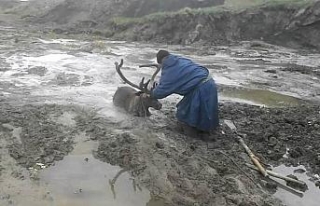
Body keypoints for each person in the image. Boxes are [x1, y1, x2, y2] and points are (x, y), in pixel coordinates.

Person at [148, 50, 219, 140]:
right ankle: (208, 129)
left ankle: (197, 133)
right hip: (210, 83)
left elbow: (162, 91)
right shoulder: (180, 59)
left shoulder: (169, 70)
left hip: (200, 88)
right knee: (208, 110)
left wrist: (152, 93)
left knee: (186, 112)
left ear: (162, 61)